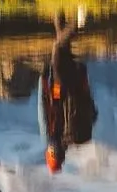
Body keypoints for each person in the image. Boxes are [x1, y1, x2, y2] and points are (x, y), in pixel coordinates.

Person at [39, 11, 97, 172]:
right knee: (57, 47)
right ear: (50, 155)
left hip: (76, 85)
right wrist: (43, 80)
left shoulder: (72, 138)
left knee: (62, 44)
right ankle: (77, 23)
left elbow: (92, 112)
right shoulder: (50, 137)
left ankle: (59, 8)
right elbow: (43, 108)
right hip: (60, 87)